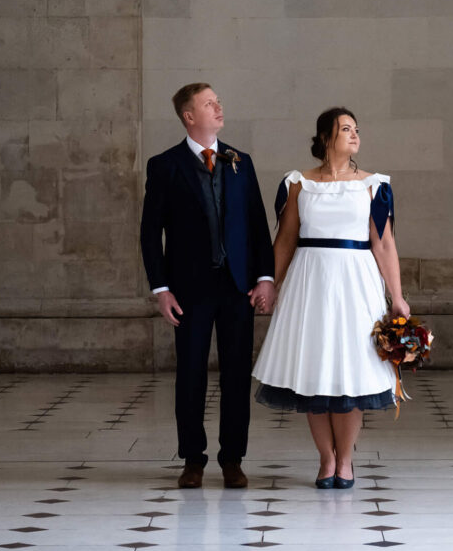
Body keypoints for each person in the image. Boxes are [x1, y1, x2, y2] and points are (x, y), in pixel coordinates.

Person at [252, 107, 409, 489]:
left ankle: (347, 461)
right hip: (310, 283)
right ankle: (326, 459)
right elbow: (286, 238)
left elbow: (383, 243)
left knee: (351, 372)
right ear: (325, 138)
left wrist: (398, 297)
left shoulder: (374, 184)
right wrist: (269, 282)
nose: (354, 135)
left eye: (357, 128)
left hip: (356, 283)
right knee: (315, 370)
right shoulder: (298, 183)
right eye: (345, 129)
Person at [140, 83, 277, 489]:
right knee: (191, 374)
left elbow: (257, 224)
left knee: (236, 374)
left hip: (237, 288)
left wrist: (265, 278)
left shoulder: (241, 162)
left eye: (218, 100)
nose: (219, 107)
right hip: (189, 290)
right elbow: (151, 233)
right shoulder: (164, 166)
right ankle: (193, 460)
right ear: (188, 116)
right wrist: (160, 288)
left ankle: (232, 459)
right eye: (209, 103)